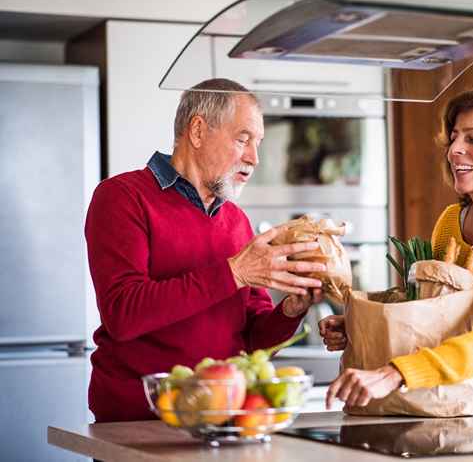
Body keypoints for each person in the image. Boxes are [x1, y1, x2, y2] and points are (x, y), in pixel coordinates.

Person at [321, 84, 473, 420]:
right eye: (454, 137)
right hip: (464, 412)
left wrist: (393, 373)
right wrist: (363, 328)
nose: (454, 149)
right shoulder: (451, 223)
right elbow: (434, 314)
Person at [85, 79, 326, 422]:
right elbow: (123, 314)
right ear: (197, 130)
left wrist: (291, 309)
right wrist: (233, 273)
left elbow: (254, 338)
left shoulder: (236, 220)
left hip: (225, 415)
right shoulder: (122, 197)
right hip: (139, 420)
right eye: (243, 139)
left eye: (257, 143)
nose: (254, 158)